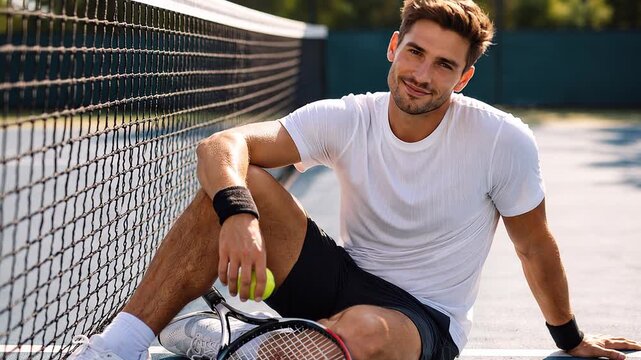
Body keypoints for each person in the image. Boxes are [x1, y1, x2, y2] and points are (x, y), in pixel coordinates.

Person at [70, 0, 641, 359]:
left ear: (463, 78)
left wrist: (569, 339)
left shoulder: (502, 140)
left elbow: (534, 246)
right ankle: (114, 350)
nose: (422, 74)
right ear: (394, 48)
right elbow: (224, 144)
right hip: (339, 275)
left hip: (423, 320)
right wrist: (239, 214)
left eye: (444, 65)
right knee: (228, 184)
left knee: (363, 332)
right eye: (415, 53)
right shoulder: (349, 116)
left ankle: (254, 348)